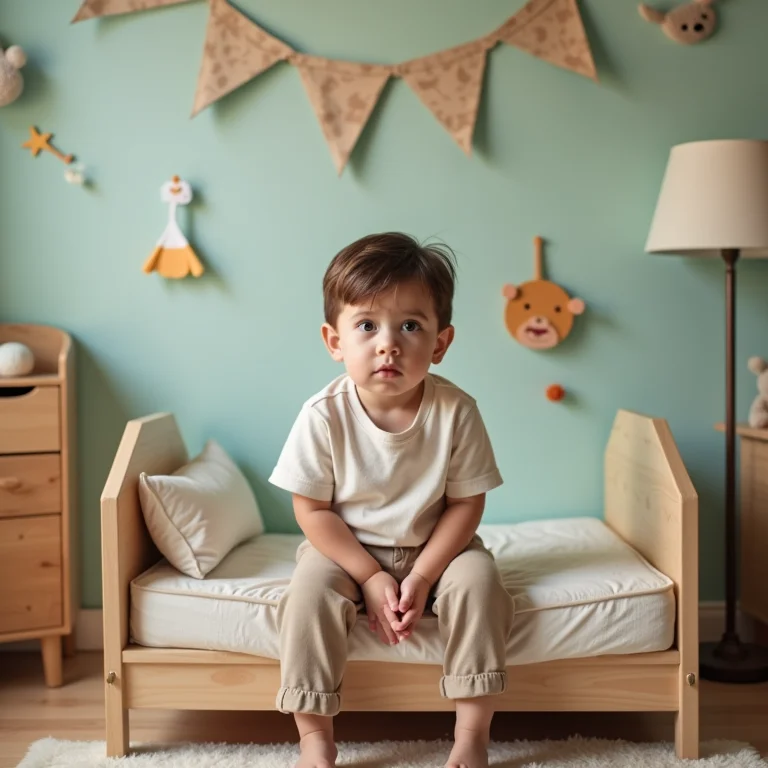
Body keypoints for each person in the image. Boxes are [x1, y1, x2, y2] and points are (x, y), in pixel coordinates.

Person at [269, 232, 515, 768]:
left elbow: (465, 505)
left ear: (441, 342)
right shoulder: (322, 415)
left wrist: (423, 576)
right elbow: (312, 511)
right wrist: (368, 575)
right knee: (306, 597)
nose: (389, 343)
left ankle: (471, 736)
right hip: (344, 548)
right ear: (335, 341)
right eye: (367, 326)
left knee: (481, 584)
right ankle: (315, 739)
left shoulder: (457, 411)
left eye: (410, 325)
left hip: (438, 549)